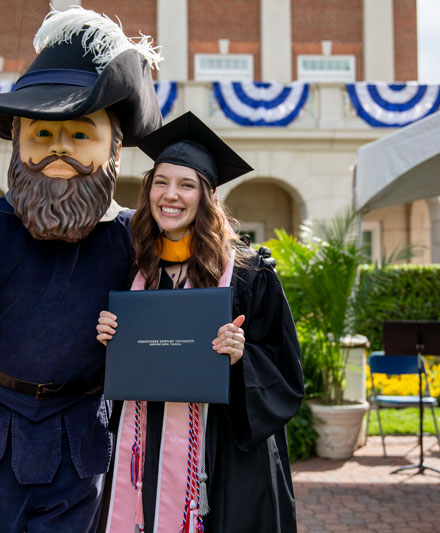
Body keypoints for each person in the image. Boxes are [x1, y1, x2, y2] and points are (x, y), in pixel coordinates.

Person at [0, 7, 164, 532]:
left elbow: (178, 309)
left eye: (79, 134)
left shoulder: (131, 236)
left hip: (81, 441)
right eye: (42, 134)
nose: (59, 149)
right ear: (18, 144)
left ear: (113, 146)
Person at [96, 112, 305, 533]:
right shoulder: (131, 267)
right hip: (143, 444)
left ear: (206, 195)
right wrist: (108, 338)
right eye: (161, 182)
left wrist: (240, 357)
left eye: (186, 185)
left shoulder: (249, 273)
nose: (170, 195)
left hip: (221, 453)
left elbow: (285, 372)